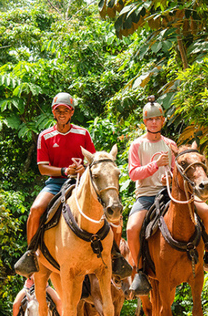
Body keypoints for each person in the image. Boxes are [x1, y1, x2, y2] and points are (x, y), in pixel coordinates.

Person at [13, 91, 131, 278]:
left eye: (65, 111)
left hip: (81, 182)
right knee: (35, 209)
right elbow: (42, 168)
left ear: (71, 113)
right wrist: (64, 171)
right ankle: (31, 253)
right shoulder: (45, 136)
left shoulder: (82, 133)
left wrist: (81, 169)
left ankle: (115, 255)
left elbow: (93, 162)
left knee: (113, 213)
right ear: (53, 113)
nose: (62, 114)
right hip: (56, 182)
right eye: (58, 110)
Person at [126, 97, 208, 295]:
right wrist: (155, 166)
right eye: (150, 119)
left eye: (157, 119)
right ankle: (140, 271)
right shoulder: (137, 145)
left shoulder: (170, 144)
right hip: (147, 195)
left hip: (170, 193)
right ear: (144, 122)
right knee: (132, 228)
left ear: (163, 121)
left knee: (207, 212)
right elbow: (133, 174)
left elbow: (179, 172)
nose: (154, 122)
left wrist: (172, 175)